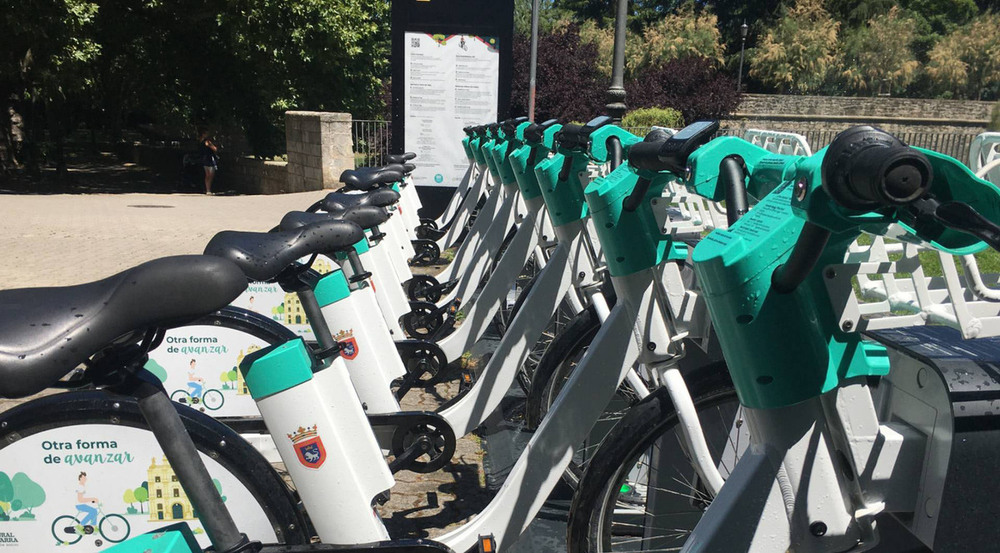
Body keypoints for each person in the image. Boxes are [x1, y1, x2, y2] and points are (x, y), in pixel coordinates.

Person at [197, 128, 218, 195]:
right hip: (209, 159)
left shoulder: (200, 141)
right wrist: (210, 146)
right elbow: (215, 149)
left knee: (208, 175)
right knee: (210, 175)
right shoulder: (207, 142)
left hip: (205, 159)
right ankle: (208, 189)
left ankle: (208, 189)